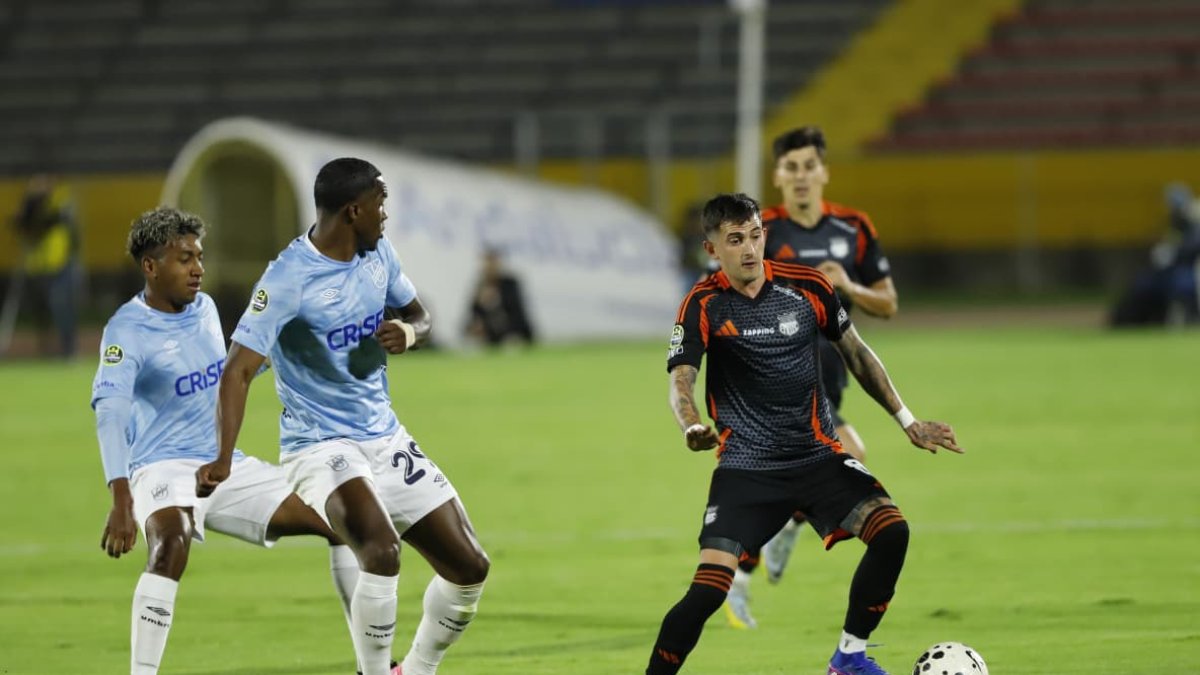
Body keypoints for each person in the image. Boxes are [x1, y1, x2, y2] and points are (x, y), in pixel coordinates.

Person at [195, 158, 490, 675]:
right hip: (320, 445)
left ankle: (415, 670)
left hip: (385, 435)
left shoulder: (379, 255)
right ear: (353, 210)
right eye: (380, 203)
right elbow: (238, 370)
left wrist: (411, 334)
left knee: (469, 568)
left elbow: (421, 313)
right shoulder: (288, 277)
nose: (386, 213)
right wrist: (222, 458)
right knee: (380, 550)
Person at [645, 193, 960, 675]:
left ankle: (849, 658)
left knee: (891, 531)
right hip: (747, 470)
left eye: (755, 235)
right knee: (708, 591)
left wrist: (908, 420)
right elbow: (680, 380)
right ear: (713, 249)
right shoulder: (702, 304)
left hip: (818, 459)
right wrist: (690, 424)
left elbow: (857, 353)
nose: (749, 248)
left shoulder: (807, 286)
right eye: (735, 240)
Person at [92, 206, 380, 674]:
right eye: (184, 258)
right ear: (151, 266)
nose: (198, 268)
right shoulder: (126, 331)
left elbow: (222, 375)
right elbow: (110, 412)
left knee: (345, 523)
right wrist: (120, 497)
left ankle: (372, 666)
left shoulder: (204, 309)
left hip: (224, 466)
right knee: (171, 543)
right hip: (160, 467)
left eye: (199, 257)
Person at [724, 126, 901, 629]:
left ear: (823, 171)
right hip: (774, 369)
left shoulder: (853, 227)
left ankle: (754, 558)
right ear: (777, 176)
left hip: (829, 371)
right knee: (844, 457)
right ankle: (746, 567)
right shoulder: (762, 230)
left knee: (810, 470)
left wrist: (847, 285)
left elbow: (888, 303)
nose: (800, 176)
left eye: (808, 166)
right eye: (790, 167)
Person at [9, 173, 79, 357]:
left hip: (60, 264)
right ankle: (45, 347)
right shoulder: (29, 206)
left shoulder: (59, 203)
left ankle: (68, 349)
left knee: (61, 305)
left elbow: (52, 221)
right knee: (40, 310)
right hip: (38, 266)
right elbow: (20, 223)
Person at [463, 247, 536, 347]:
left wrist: (495, 301)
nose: (489, 267)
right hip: (490, 335)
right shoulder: (480, 286)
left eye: (492, 263)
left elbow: (517, 313)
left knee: (511, 344)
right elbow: (473, 313)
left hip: (512, 332)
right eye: (487, 263)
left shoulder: (509, 284)